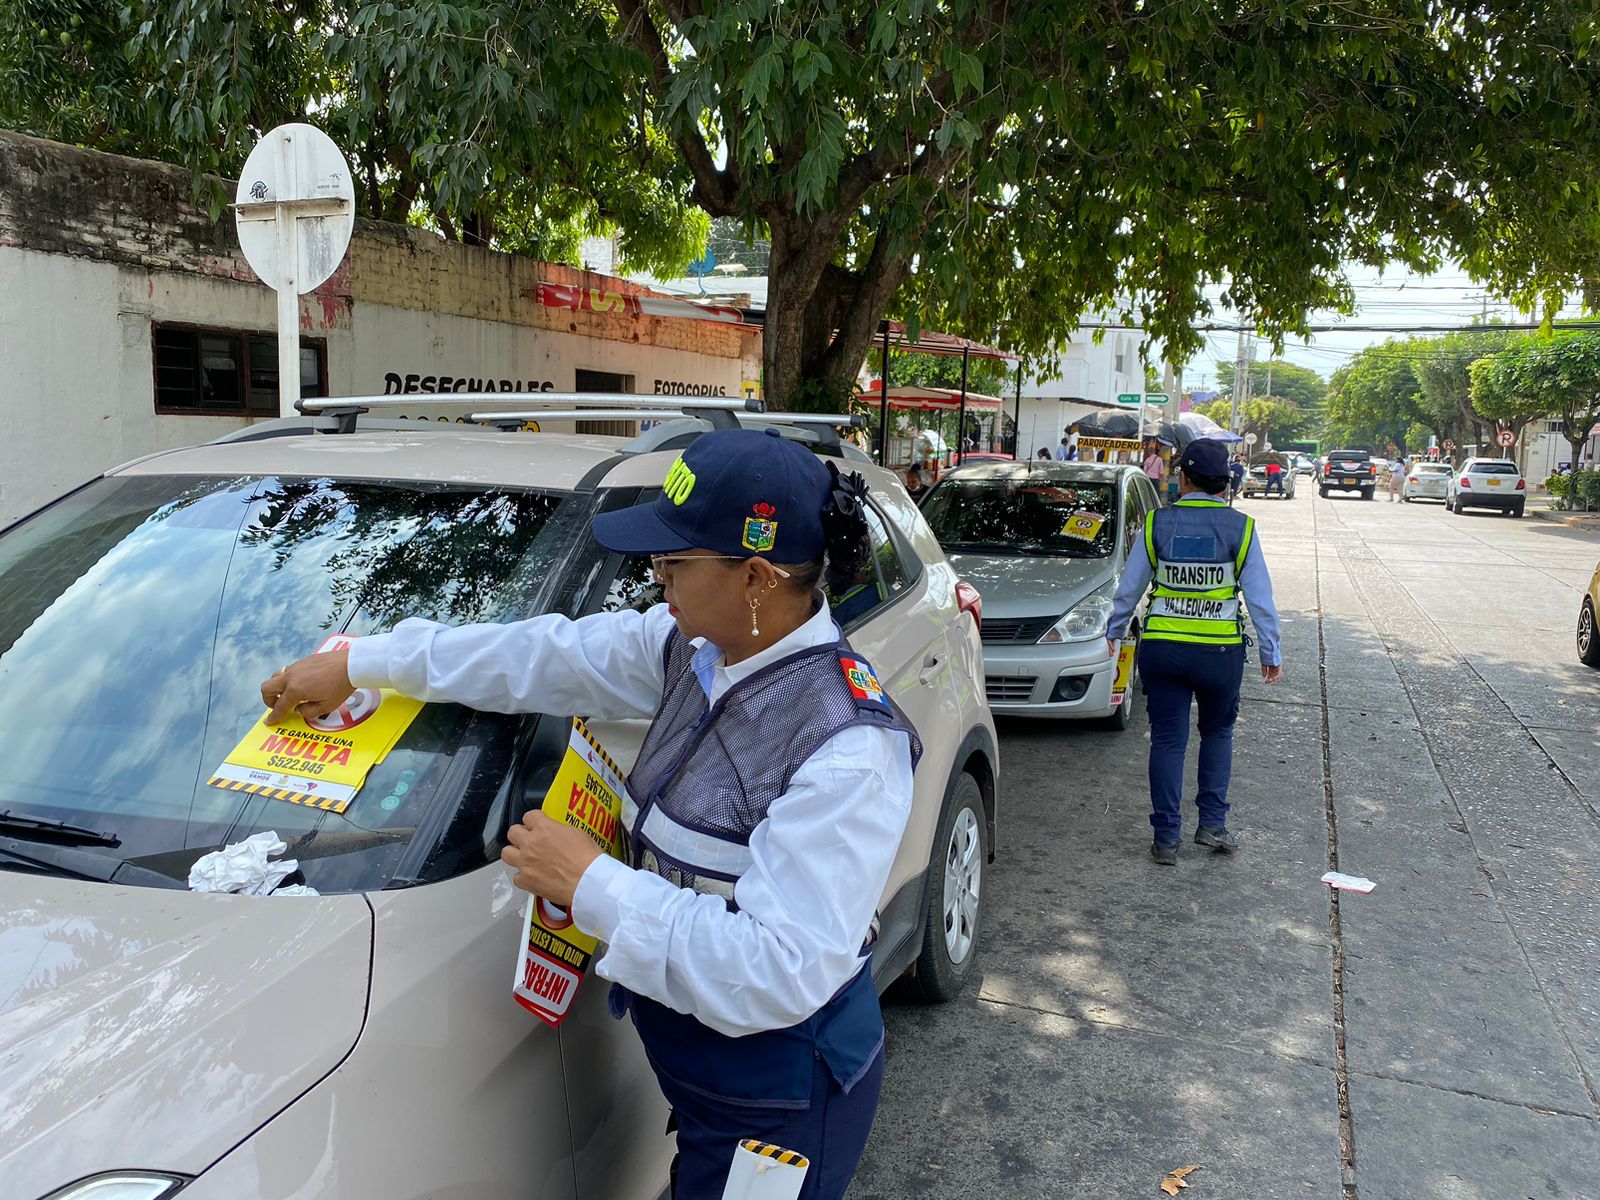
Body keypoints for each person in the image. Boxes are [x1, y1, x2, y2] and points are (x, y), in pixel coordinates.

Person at [261, 429, 920, 1198]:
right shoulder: (697, 652)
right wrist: (362, 662)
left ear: (755, 579)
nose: (657, 576)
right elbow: (543, 656)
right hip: (711, 1081)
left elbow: (777, 969)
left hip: (781, 1106)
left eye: (675, 562)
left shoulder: (845, 748)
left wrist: (591, 882)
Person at [1105, 438, 1283, 865]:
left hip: (1164, 650)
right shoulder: (1241, 528)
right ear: (1225, 483)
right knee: (1218, 733)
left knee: (1167, 740)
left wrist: (1114, 629)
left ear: (1182, 477)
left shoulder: (1156, 524)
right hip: (1219, 653)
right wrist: (1270, 650)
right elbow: (1259, 598)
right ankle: (1213, 825)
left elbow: (1129, 589)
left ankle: (1167, 839)